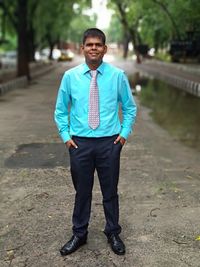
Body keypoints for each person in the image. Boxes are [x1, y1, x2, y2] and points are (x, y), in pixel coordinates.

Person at [54, 28, 137, 256]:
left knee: (110, 191)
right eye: (89, 44)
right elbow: (61, 110)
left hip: (109, 144)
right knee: (82, 191)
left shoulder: (118, 76)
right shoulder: (70, 77)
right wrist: (66, 137)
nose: (93, 48)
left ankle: (112, 232)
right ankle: (79, 234)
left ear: (104, 48)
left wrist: (123, 135)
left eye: (97, 45)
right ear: (83, 48)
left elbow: (129, 108)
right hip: (79, 144)